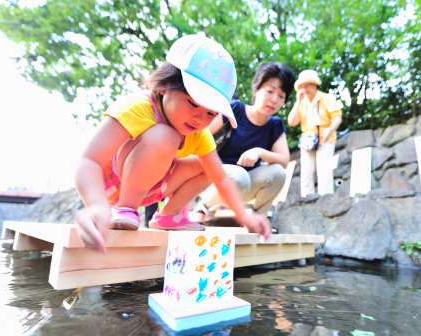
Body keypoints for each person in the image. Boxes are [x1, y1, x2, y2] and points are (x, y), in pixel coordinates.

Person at [74, 34, 271, 252]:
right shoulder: (138, 107)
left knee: (209, 166)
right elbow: (88, 160)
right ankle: (125, 208)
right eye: (192, 103)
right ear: (165, 85)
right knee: (165, 136)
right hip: (112, 182)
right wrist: (98, 206)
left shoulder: (199, 132)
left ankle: (169, 215)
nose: (199, 119)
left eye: (210, 113)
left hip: (151, 186)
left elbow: (220, 178)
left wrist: (245, 217)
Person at [191, 62, 295, 222]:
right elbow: (202, 135)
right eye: (270, 91)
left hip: (245, 186)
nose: (274, 100)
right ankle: (203, 206)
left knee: (278, 173)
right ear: (256, 90)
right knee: (239, 176)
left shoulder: (275, 124)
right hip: (213, 180)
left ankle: (258, 219)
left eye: (281, 96)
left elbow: (284, 160)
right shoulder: (235, 109)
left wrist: (259, 152)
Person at [287, 70, 343, 196]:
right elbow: (291, 122)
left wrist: (330, 129)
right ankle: (307, 199)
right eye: (302, 86)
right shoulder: (302, 103)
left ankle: (326, 199)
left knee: (324, 170)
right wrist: (297, 101)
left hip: (325, 139)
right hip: (307, 140)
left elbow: (338, 117)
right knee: (306, 172)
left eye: (306, 85)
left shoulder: (328, 98)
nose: (304, 89)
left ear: (314, 85)